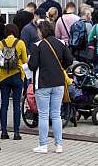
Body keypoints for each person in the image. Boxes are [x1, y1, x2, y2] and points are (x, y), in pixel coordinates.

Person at [28, 21, 73, 154]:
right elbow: (69, 60)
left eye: (38, 31)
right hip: (59, 82)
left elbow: (32, 65)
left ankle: (43, 145)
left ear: (41, 32)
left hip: (43, 83)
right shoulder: (61, 43)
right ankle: (59, 145)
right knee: (56, 114)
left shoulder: (38, 46)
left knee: (43, 115)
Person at [0, 24, 27, 140]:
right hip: (17, 76)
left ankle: (4, 132)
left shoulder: (0, 44)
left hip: (3, 77)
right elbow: (24, 60)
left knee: (4, 104)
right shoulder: (20, 43)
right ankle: (16, 133)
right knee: (16, 105)